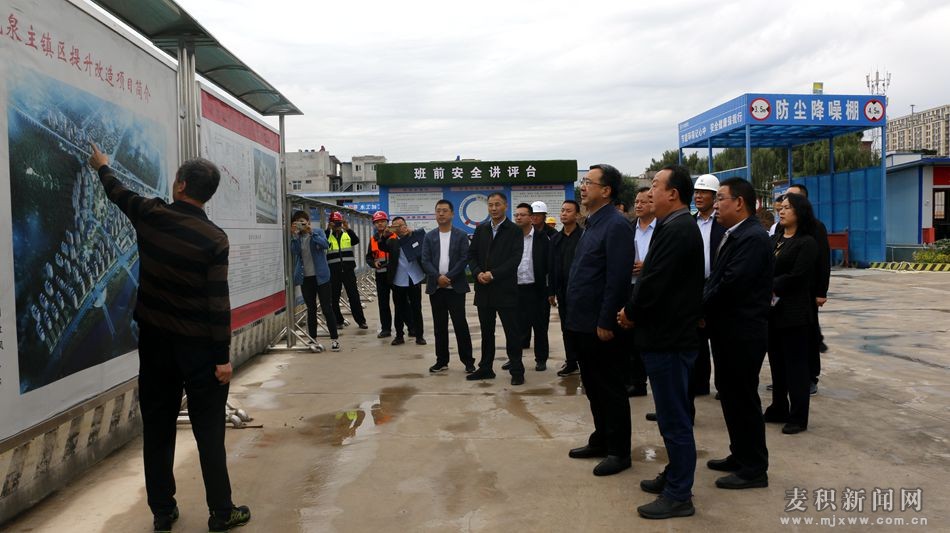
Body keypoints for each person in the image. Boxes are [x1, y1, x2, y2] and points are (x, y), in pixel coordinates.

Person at [87, 144, 250, 532]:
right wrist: (222, 357)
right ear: (206, 194)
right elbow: (218, 302)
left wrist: (102, 166)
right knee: (209, 432)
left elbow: (118, 193)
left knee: (158, 429)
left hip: (156, 347)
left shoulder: (152, 214)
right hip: (201, 352)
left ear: (180, 185)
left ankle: (163, 511)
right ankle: (222, 512)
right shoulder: (214, 238)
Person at [619, 164, 703, 519]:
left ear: (673, 193)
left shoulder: (677, 229)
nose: (649, 192)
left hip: (670, 340)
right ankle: (674, 474)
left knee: (674, 419)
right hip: (667, 337)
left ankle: (679, 494)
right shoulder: (674, 225)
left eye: (655, 185)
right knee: (671, 415)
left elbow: (653, 283)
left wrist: (630, 312)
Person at [564, 165, 635, 477]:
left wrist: (606, 320)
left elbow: (617, 279)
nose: (583, 187)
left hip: (600, 324)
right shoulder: (593, 222)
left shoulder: (616, 225)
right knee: (592, 385)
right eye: (583, 181)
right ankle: (602, 439)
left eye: (589, 182)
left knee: (610, 387)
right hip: (581, 321)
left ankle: (619, 451)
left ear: (606, 191)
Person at [701, 178, 773, 489]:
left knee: (743, 398)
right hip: (727, 330)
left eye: (720, 198)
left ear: (740, 202)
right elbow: (718, 278)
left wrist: (699, 307)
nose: (715, 205)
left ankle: (754, 468)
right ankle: (740, 454)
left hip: (743, 332)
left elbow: (731, 284)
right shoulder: (736, 234)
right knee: (730, 394)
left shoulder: (753, 238)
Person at [765, 193, 819, 435]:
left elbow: (797, 277)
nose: (781, 211)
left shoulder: (806, 243)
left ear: (800, 212)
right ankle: (779, 407)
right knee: (777, 364)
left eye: (787, 207)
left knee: (796, 367)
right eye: (781, 207)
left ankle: (798, 416)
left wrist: (767, 285)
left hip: (795, 313)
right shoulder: (775, 239)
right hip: (773, 312)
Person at [467, 192, 525, 385]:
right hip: (484, 290)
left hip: (505, 289)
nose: (493, 208)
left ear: (505, 206)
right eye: (490, 205)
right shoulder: (481, 229)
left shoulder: (514, 230)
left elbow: (515, 259)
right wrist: (477, 273)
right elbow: (472, 255)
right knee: (486, 332)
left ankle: (517, 370)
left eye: (497, 204)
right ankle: (485, 368)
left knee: (512, 331)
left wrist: (493, 274)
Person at [421, 200, 475, 373]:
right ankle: (442, 360)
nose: (441, 214)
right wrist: (438, 277)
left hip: (455, 288)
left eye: (444, 210)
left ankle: (468, 361)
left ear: (452, 214)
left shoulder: (461, 235)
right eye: (438, 211)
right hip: (436, 288)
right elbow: (425, 260)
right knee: (439, 327)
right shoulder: (429, 236)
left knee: (460, 325)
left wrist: (449, 277)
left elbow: (464, 259)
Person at [786, 183, 830, 393]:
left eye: (792, 199)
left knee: (809, 334)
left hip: (808, 291)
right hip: (785, 293)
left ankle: (811, 376)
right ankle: (787, 377)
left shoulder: (816, 227)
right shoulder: (782, 228)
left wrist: (821, 292)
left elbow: (823, 261)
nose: (785, 204)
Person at [692, 174, 724, 400]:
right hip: (695, 286)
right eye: (696, 192)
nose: (698, 196)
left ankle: (723, 385)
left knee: (720, 339)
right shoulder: (690, 222)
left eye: (704, 192)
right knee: (697, 338)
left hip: (719, 285)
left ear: (715, 197)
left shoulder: (722, 222)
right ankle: (700, 383)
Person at [290, 210, 340, 352]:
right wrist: (294, 235)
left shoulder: (318, 232)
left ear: (308, 222)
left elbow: (325, 245)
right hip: (306, 278)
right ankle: (313, 339)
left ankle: (334, 339)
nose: (301, 224)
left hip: (322, 277)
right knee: (311, 309)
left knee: (327, 308)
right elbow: (295, 252)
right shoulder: (298, 237)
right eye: (297, 222)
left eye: (303, 221)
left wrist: (311, 232)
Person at [511, 203, 551, 371]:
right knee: (514, 327)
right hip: (515, 289)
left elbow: (550, 265)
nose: (519, 217)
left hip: (536, 289)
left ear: (531, 217)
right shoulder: (511, 238)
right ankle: (514, 359)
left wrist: (551, 290)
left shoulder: (542, 238)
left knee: (539, 326)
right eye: (516, 215)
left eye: (522, 215)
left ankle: (541, 359)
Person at [549, 200, 584, 377]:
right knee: (566, 328)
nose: (564, 213)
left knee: (582, 329)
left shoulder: (584, 236)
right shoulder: (556, 239)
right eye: (562, 210)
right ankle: (571, 362)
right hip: (562, 292)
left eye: (568, 211)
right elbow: (552, 267)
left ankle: (585, 362)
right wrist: (551, 291)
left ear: (577, 215)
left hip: (582, 292)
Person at [627, 186, 655, 398]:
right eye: (636, 201)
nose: (638, 205)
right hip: (630, 287)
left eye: (643, 202)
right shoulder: (629, 228)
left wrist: (647, 266)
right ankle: (636, 381)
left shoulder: (662, 228)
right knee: (630, 337)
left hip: (652, 288)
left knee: (649, 336)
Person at [386, 217, 427, 346]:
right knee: (399, 308)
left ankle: (419, 336)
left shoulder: (414, 237)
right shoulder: (392, 241)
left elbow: (423, 236)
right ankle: (399, 335)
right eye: (396, 226)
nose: (400, 228)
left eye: (402, 225)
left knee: (416, 308)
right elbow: (382, 246)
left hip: (414, 277)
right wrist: (385, 235)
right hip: (399, 279)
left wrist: (411, 232)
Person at [326, 211, 368, 329]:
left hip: (348, 270)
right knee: (334, 297)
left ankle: (361, 321)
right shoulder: (328, 236)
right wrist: (328, 229)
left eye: (338, 222)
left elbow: (356, 240)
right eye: (334, 222)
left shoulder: (346, 234)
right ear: (330, 223)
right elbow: (323, 242)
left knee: (354, 296)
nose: (337, 225)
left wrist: (347, 228)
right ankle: (338, 321)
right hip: (333, 271)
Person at [366, 210, 396, 338]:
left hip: (395, 274)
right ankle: (386, 329)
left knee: (401, 302)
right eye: (377, 222)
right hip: (381, 275)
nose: (380, 224)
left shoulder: (394, 236)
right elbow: (368, 257)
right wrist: (374, 263)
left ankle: (410, 327)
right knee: (383, 304)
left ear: (387, 223)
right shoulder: (373, 240)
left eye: (382, 221)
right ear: (374, 224)